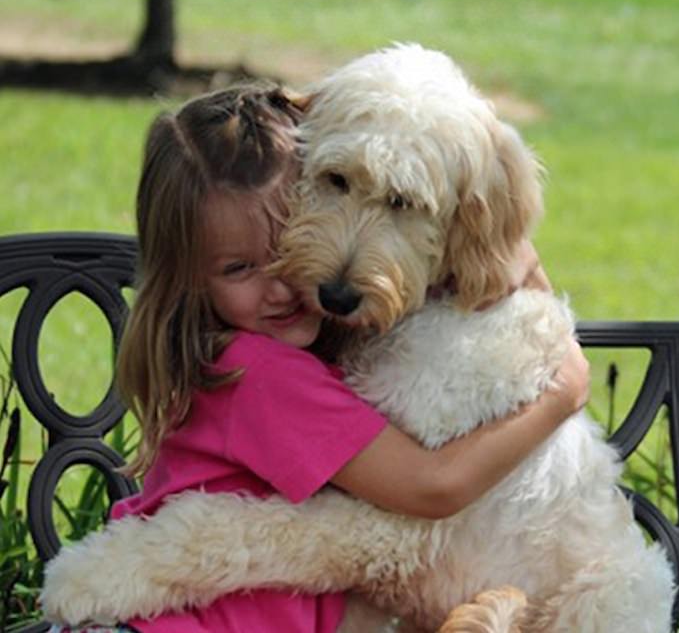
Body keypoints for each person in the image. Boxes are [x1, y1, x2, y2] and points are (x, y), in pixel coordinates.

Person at [46, 80, 589, 633]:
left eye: (291, 247)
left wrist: (500, 239)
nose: (281, 285)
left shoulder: (271, 352)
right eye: (239, 269)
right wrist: (563, 393)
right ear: (189, 279)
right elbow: (432, 488)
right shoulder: (264, 376)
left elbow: (496, 263)